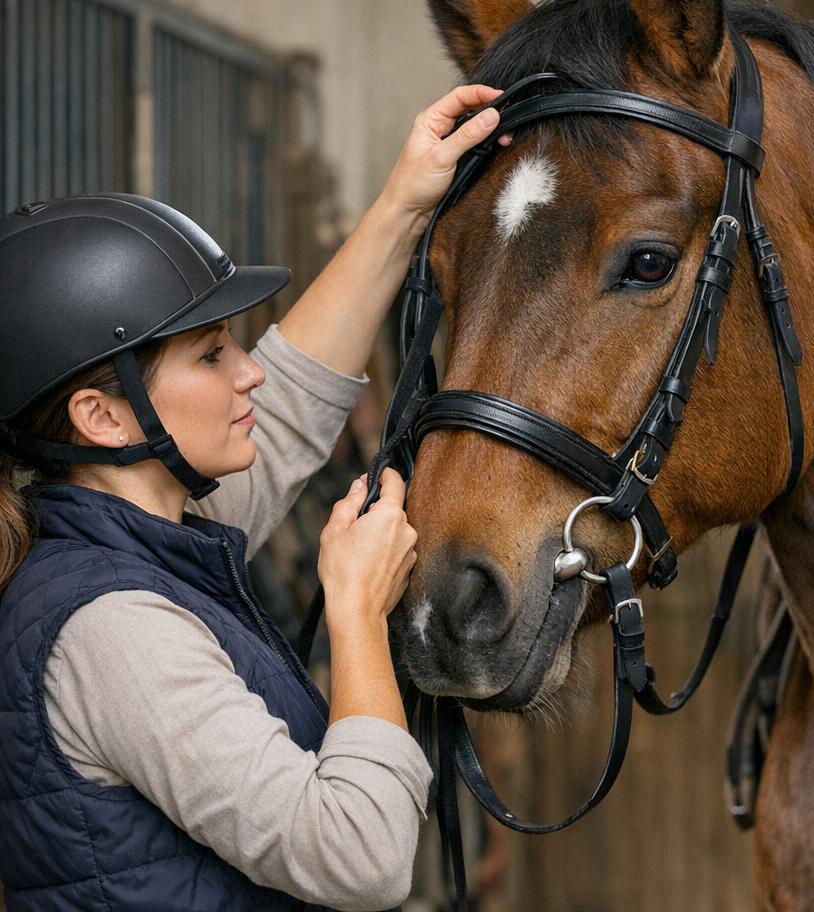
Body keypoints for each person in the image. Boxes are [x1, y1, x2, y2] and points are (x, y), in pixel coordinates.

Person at [0, 86, 504, 912]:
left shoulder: (145, 536)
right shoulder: (112, 631)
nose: (250, 373)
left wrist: (402, 205)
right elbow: (359, 860)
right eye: (210, 357)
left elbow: (297, 396)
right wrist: (355, 610)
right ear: (101, 416)